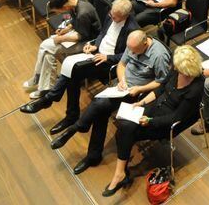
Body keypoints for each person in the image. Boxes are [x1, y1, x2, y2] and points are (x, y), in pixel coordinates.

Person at [49, 29, 171, 174]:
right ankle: (91, 152)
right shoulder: (132, 43)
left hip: (138, 93)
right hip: (122, 87)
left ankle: (77, 130)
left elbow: (161, 82)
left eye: (135, 50)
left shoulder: (159, 56)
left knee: (99, 104)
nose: (131, 52)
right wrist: (122, 80)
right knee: (100, 110)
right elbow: (121, 65)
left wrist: (140, 89)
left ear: (145, 44)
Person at [104, 45, 205, 196]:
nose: (178, 71)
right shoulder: (176, 69)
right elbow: (160, 89)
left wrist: (150, 121)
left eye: (182, 71)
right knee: (125, 126)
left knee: (125, 130)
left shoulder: (196, 87)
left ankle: (120, 174)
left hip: (165, 121)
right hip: (154, 107)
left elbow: (176, 117)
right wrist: (141, 102)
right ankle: (121, 174)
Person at [21, 0, 101, 97]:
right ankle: (44, 85)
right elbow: (74, 20)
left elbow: (82, 36)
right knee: (48, 52)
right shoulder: (75, 1)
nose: (60, 14)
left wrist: (62, 38)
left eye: (58, 12)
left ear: (64, 7)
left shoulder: (83, 12)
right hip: (79, 34)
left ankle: (39, 79)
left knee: (46, 46)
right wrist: (66, 29)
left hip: (88, 43)